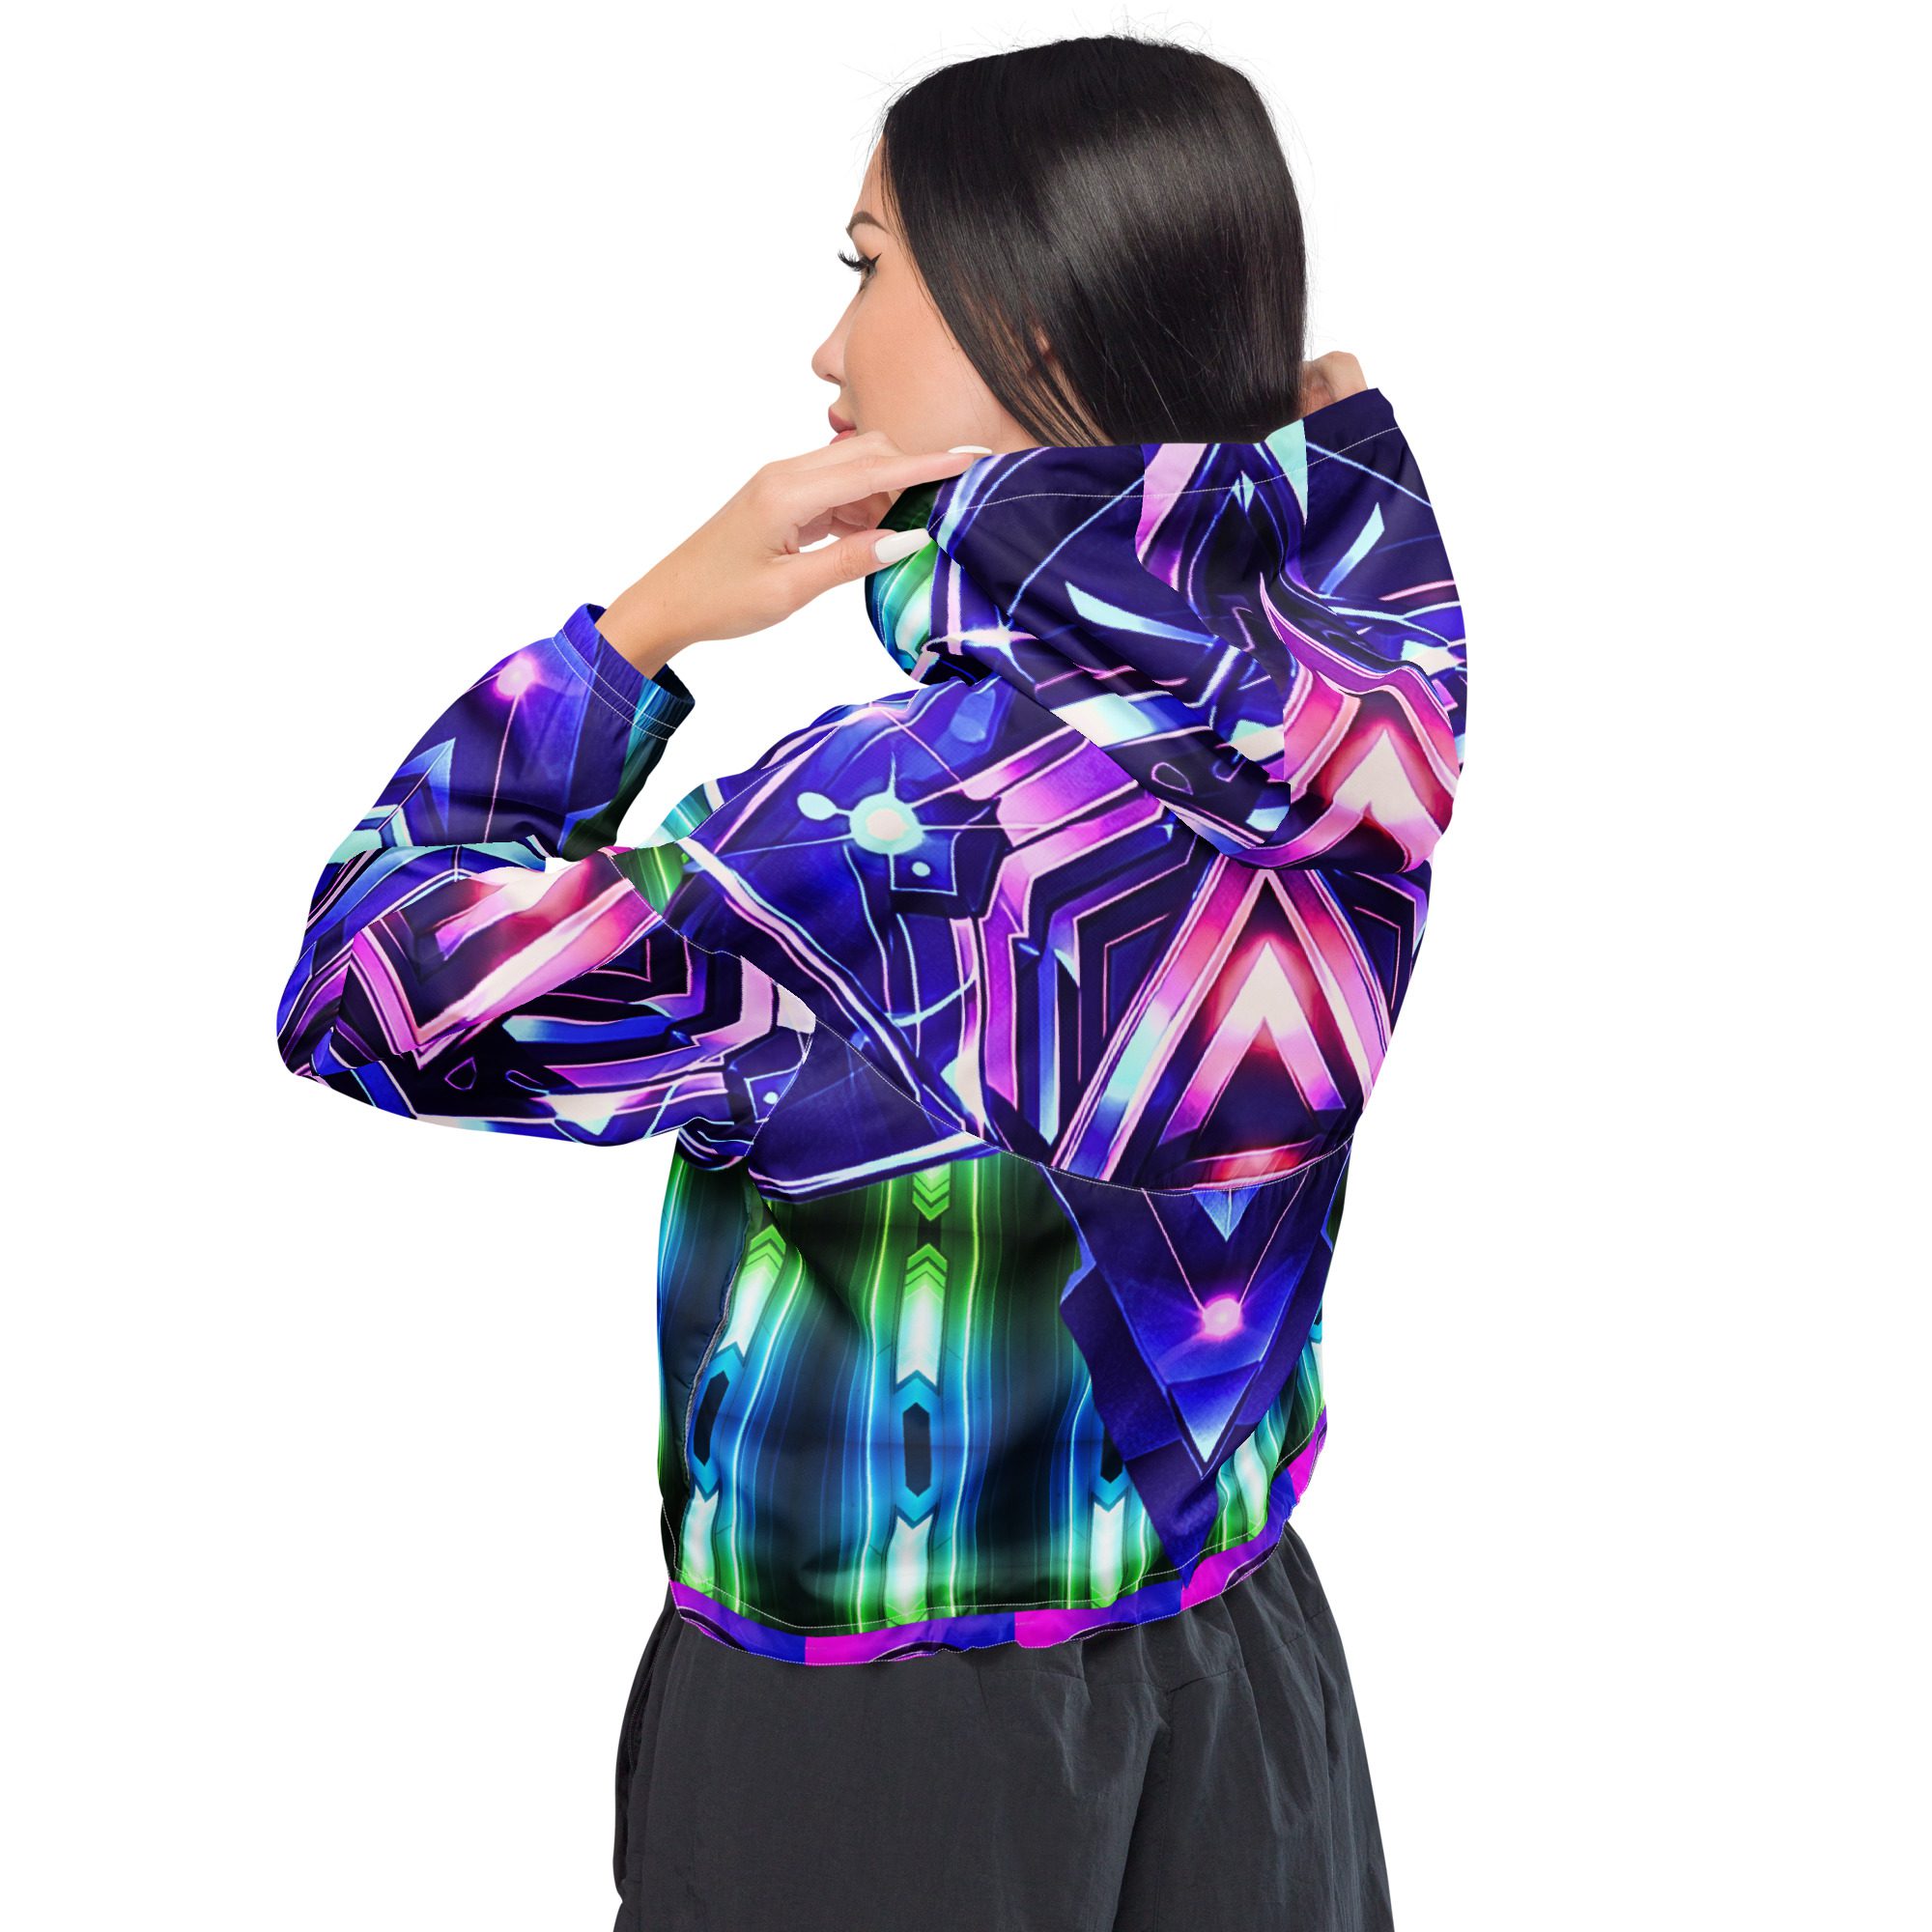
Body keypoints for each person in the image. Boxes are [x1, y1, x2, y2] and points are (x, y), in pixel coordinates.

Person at [272, 32, 1466, 1932]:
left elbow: (363, 988)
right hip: (1244, 1668)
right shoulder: (1347, 689)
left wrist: (634, 632)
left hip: (881, 1745)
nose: (828, 350)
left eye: (867, 263)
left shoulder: (874, 840)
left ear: (1032, 313)